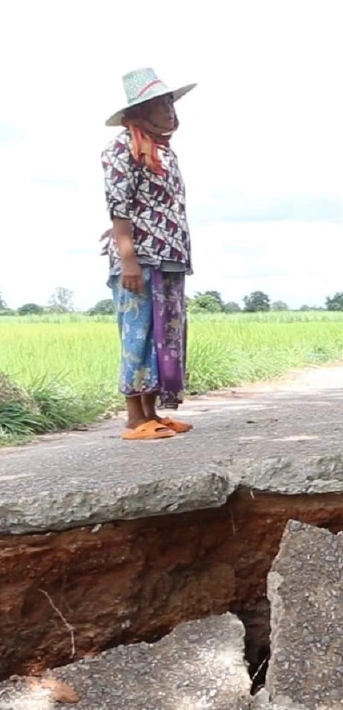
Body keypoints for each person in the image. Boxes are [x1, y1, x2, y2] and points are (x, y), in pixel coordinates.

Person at [100, 68, 197, 441]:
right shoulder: (122, 148)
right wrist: (127, 256)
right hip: (141, 260)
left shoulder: (162, 152)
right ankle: (134, 418)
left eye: (171, 103)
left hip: (169, 254)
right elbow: (119, 206)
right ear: (141, 111)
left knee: (165, 335)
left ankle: (153, 412)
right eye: (161, 105)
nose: (170, 111)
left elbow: (149, 205)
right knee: (138, 334)